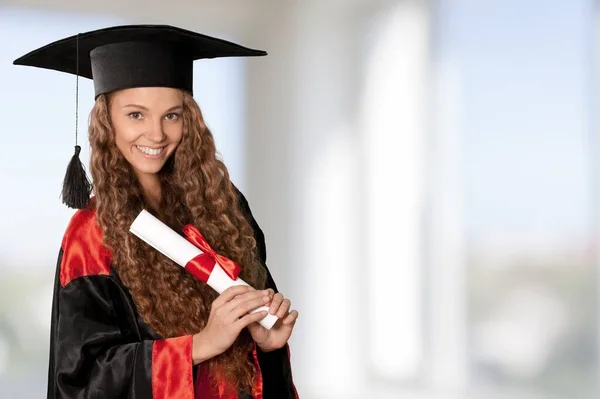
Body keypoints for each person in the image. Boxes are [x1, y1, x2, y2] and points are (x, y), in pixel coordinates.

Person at [14, 24, 299, 399]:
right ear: (107, 122)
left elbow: (255, 358)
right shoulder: (91, 234)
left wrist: (267, 344)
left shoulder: (224, 207)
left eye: (172, 115)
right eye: (135, 115)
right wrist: (201, 344)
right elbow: (83, 380)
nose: (156, 134)